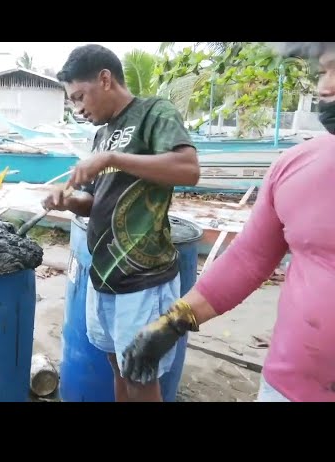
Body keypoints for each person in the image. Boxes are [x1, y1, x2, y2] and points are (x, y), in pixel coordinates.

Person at [120, 42, 335, 402]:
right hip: (288, 388)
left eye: (333, 70)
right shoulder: (295, 167)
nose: (323, 87)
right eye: (324, 72)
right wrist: (173, 322)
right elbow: (248, 260)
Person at [43, 44, 200, 402]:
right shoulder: (102, 134)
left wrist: (113, 157)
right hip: (103, 275)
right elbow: (94, 202)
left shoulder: (153, 113)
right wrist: (69, 201)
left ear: (105, 79)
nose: (79, 109)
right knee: (118, 364)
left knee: (141, 375)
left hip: (143, 278)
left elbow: (189, 170)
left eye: (81, 97)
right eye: (72, 102)